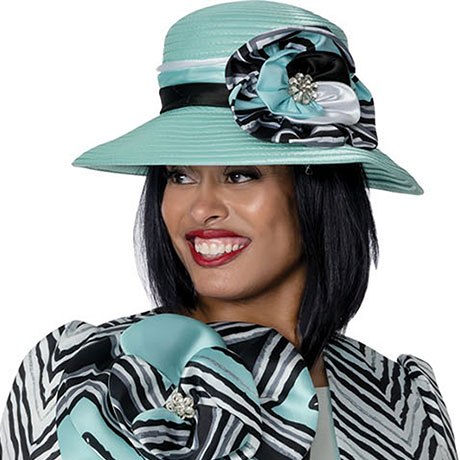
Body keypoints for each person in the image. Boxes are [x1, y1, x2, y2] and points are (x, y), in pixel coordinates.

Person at [0, 1, 458, 459]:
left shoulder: (401, 401)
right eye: (180, 175)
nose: (201, 209)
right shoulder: (75, 370)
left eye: (240, 175)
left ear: (319, 191)